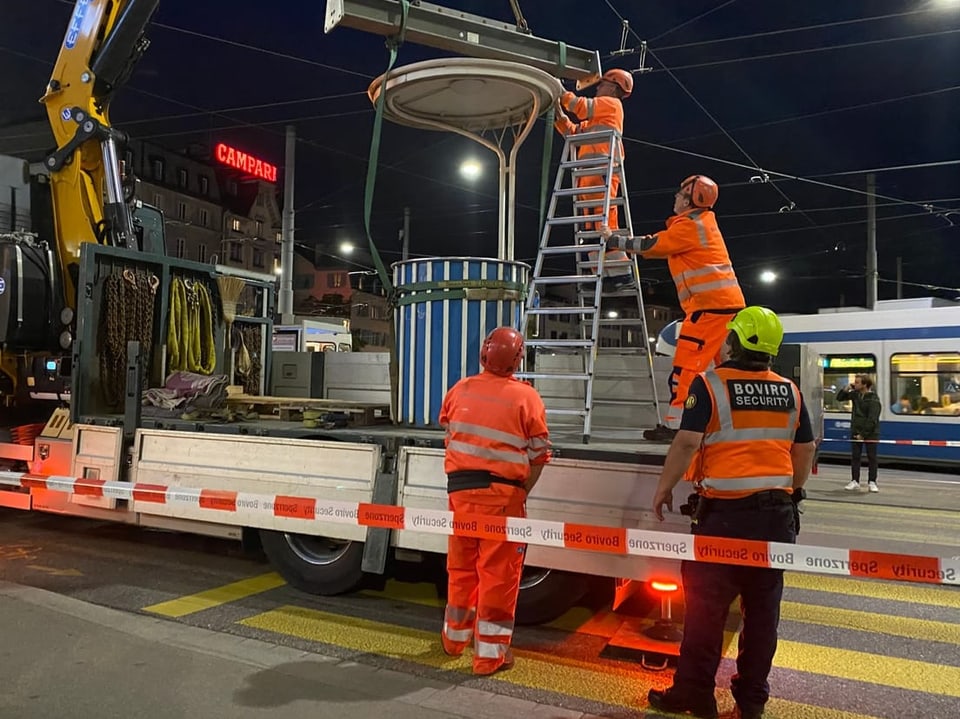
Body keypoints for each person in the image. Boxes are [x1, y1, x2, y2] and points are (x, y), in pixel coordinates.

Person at [646, 306, 816, 719]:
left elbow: (686, 443)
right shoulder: (789, 391)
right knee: (761, 616)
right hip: (776, 519)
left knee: (705, 611)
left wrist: (664, 488)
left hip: (724, 519)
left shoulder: (710, 385)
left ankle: (694, 693)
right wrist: (789, 492)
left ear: (736, 342)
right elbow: (806, 449)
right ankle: (751, 701)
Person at [437, 326, 551, 675]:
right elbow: (539, 455)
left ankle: (453, 640)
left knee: (461, 569)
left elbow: (448, 429)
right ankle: (489, 656)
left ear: (484, 355)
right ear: (517, 359)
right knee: (498, 577)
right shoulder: (526, 397)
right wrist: (519, 492)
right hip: (503, 498)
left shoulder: (460, 388)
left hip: (459, 493)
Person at [601, 175, 745, 441]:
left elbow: (651, 245)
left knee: (686, 369)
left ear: (690, 201)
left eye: (679, 194)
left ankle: (677, 426)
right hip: (723, 309)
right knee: (723, 373)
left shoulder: (690, 226)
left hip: (709, 310)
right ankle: (725, 424)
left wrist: (614, 241)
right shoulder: (701, 224)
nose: (675, 198)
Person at [554, 68, 635, 288]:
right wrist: (558, 117)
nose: (598, 87)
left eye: (602, 83)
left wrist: (559, 91)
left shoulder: (611, 104)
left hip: (602, 174)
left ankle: (621, 275)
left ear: (613, 87)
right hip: (589, 178)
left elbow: (580, 107)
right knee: (590, 230)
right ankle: (601, 276)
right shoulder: (597, 118)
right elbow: (573, 133)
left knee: (603, 225)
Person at [836, 375, 881, 493]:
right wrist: (846, 388)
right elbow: (840, 398)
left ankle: (872, 482)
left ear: (865, 385)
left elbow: (872, 419)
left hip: (870, 433)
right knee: (855, 457)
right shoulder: (856, 395)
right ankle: (855, 481)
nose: (854, 384)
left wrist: (863, 434)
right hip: (856, 430)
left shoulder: (873, 399)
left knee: (872, 457)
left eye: (857, 382)